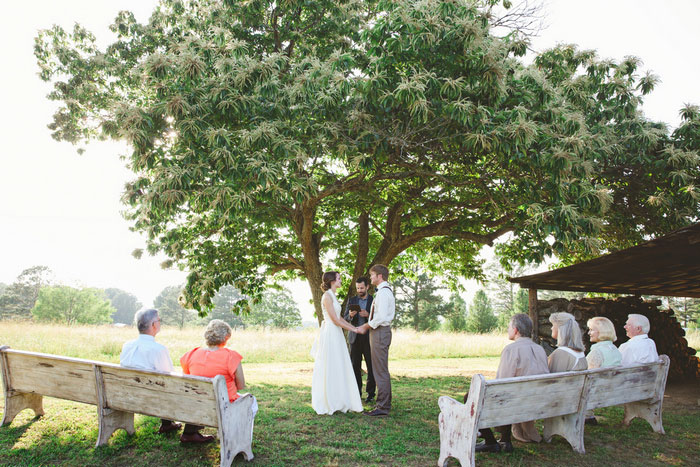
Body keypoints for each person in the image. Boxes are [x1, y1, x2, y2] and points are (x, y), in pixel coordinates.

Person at [475, 314, 550, 454]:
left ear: (515, 330)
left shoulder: (511, 349)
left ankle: (491, 441)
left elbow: (502, 383)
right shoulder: (540, 349)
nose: (508, 329)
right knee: (510, 394)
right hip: (537, 401)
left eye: (509, 327)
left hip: (517, 403)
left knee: (472, 397)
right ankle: (504, 440)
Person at [180, 319, 258, 443]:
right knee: (252, 401)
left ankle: (189, 433)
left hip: (197, 404)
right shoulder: (231, 356)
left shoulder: (191, 354)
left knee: (201, 396)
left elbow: (188, 379)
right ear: (226, 337)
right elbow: (241, 385)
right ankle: (238, 438)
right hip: (223, 406)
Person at [311, 271, 365, 415]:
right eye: (339, 278)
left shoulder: (333, 295)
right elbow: (334, 320)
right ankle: (330, 401)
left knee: (339, 364)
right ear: (332, 280)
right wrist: (354, 329)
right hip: (330, 334)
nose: (341, 280)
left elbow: (340, 318)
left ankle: (341, 400)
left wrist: (354, 328)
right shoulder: (326, 296)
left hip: (337, 333)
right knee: (331, 365)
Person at [120, 308, 181, 435]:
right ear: (154, 325)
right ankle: (168, 424)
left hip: (126, 395)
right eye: (159, 320)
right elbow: (169, 377)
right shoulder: (158, 349)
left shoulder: (127, 345)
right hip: (151, 399)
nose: (160, 323)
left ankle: (167, 424)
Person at [357, 264, 395, 417]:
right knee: (379, 369)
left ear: (379, 276)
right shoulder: (382, 292)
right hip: (378, 332)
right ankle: (384, 403)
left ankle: (383, 406)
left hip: (379, 332)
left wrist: (366, 326)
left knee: (380, 370)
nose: (370, 277)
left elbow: (380, 317)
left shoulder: (384, 293)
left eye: (372, 275)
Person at [584, 316, 622, 424]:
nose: (589, 333)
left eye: (591, 330)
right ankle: (588, 415)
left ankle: (586, 415)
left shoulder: (597, 352)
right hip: (613, 390)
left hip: (598, 393)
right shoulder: (615, 349)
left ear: (601, 332)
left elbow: (588, 378)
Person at [344, 276, 376, 403]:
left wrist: (368, 315)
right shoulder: (351, 300)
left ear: (367, 287)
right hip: (355, 338)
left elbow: (379, 317)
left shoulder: (373, 300)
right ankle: (357, 393)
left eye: (362, 288)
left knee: (371, 367)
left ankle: (370, 394)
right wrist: (351, 316)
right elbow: (345, 318)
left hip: (369, 337)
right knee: (355, 366)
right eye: (358, 288)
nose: (359, 290)